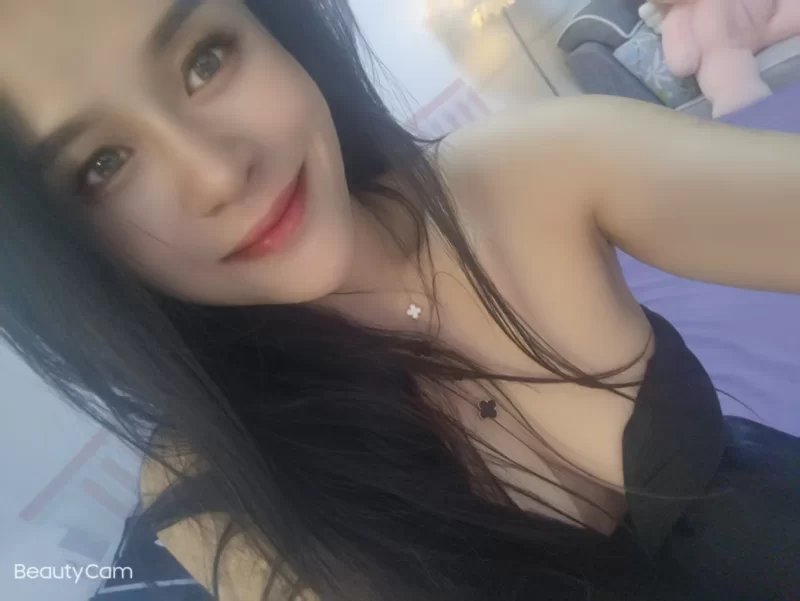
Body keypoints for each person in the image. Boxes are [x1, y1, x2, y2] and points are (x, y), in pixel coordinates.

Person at [1, 1, 798, 600]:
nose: (215, 173)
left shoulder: (532, 171)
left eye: (205, 60)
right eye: (103, 164)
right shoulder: (213, 484)